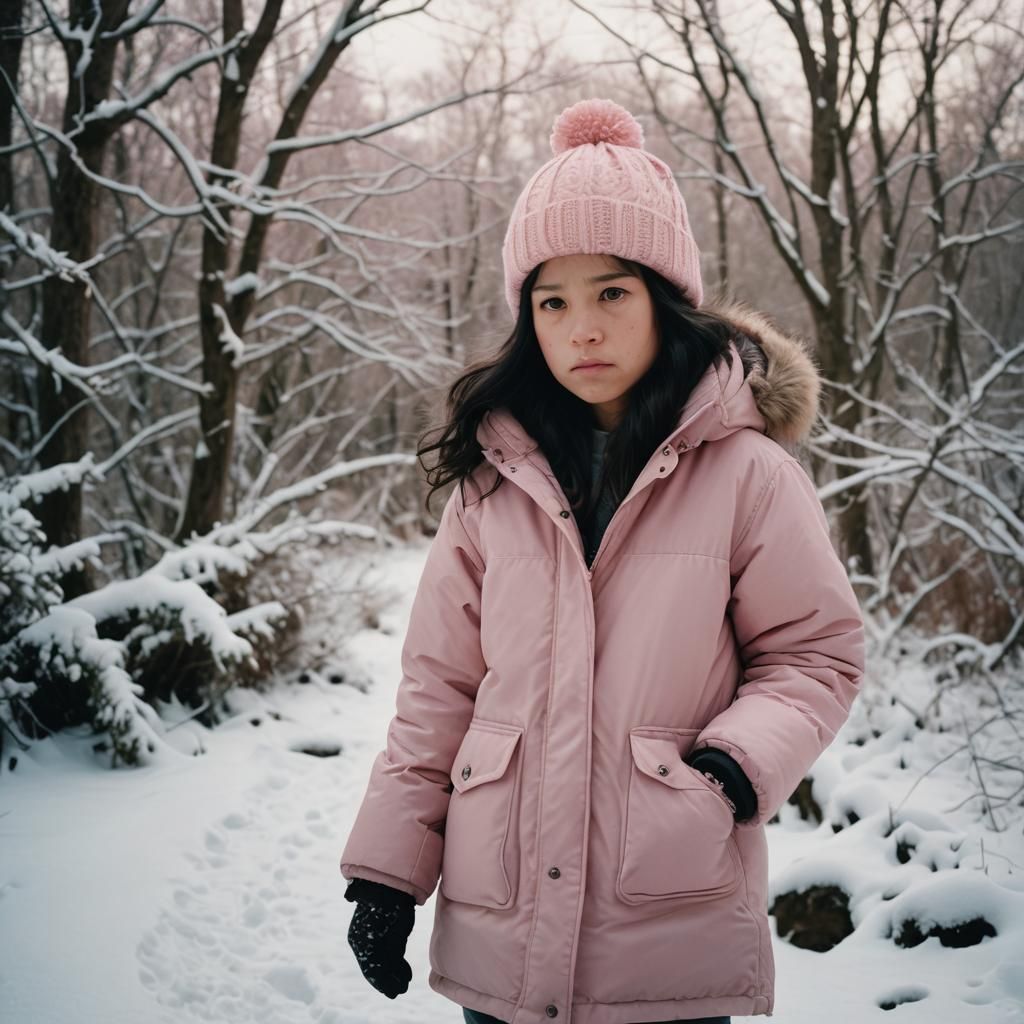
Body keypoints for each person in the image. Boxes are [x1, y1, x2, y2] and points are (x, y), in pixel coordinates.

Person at [339, 98, 865, 1024]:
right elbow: (437, 689)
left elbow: (814, 655)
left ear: (664, 303)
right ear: (528, 319)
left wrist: (732, 769)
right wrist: (388, 871)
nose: (581, 327)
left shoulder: (750, 476)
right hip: (502, 914)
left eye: (611, 293)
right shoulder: (490, 486)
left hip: (668, 912)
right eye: (553, 301)